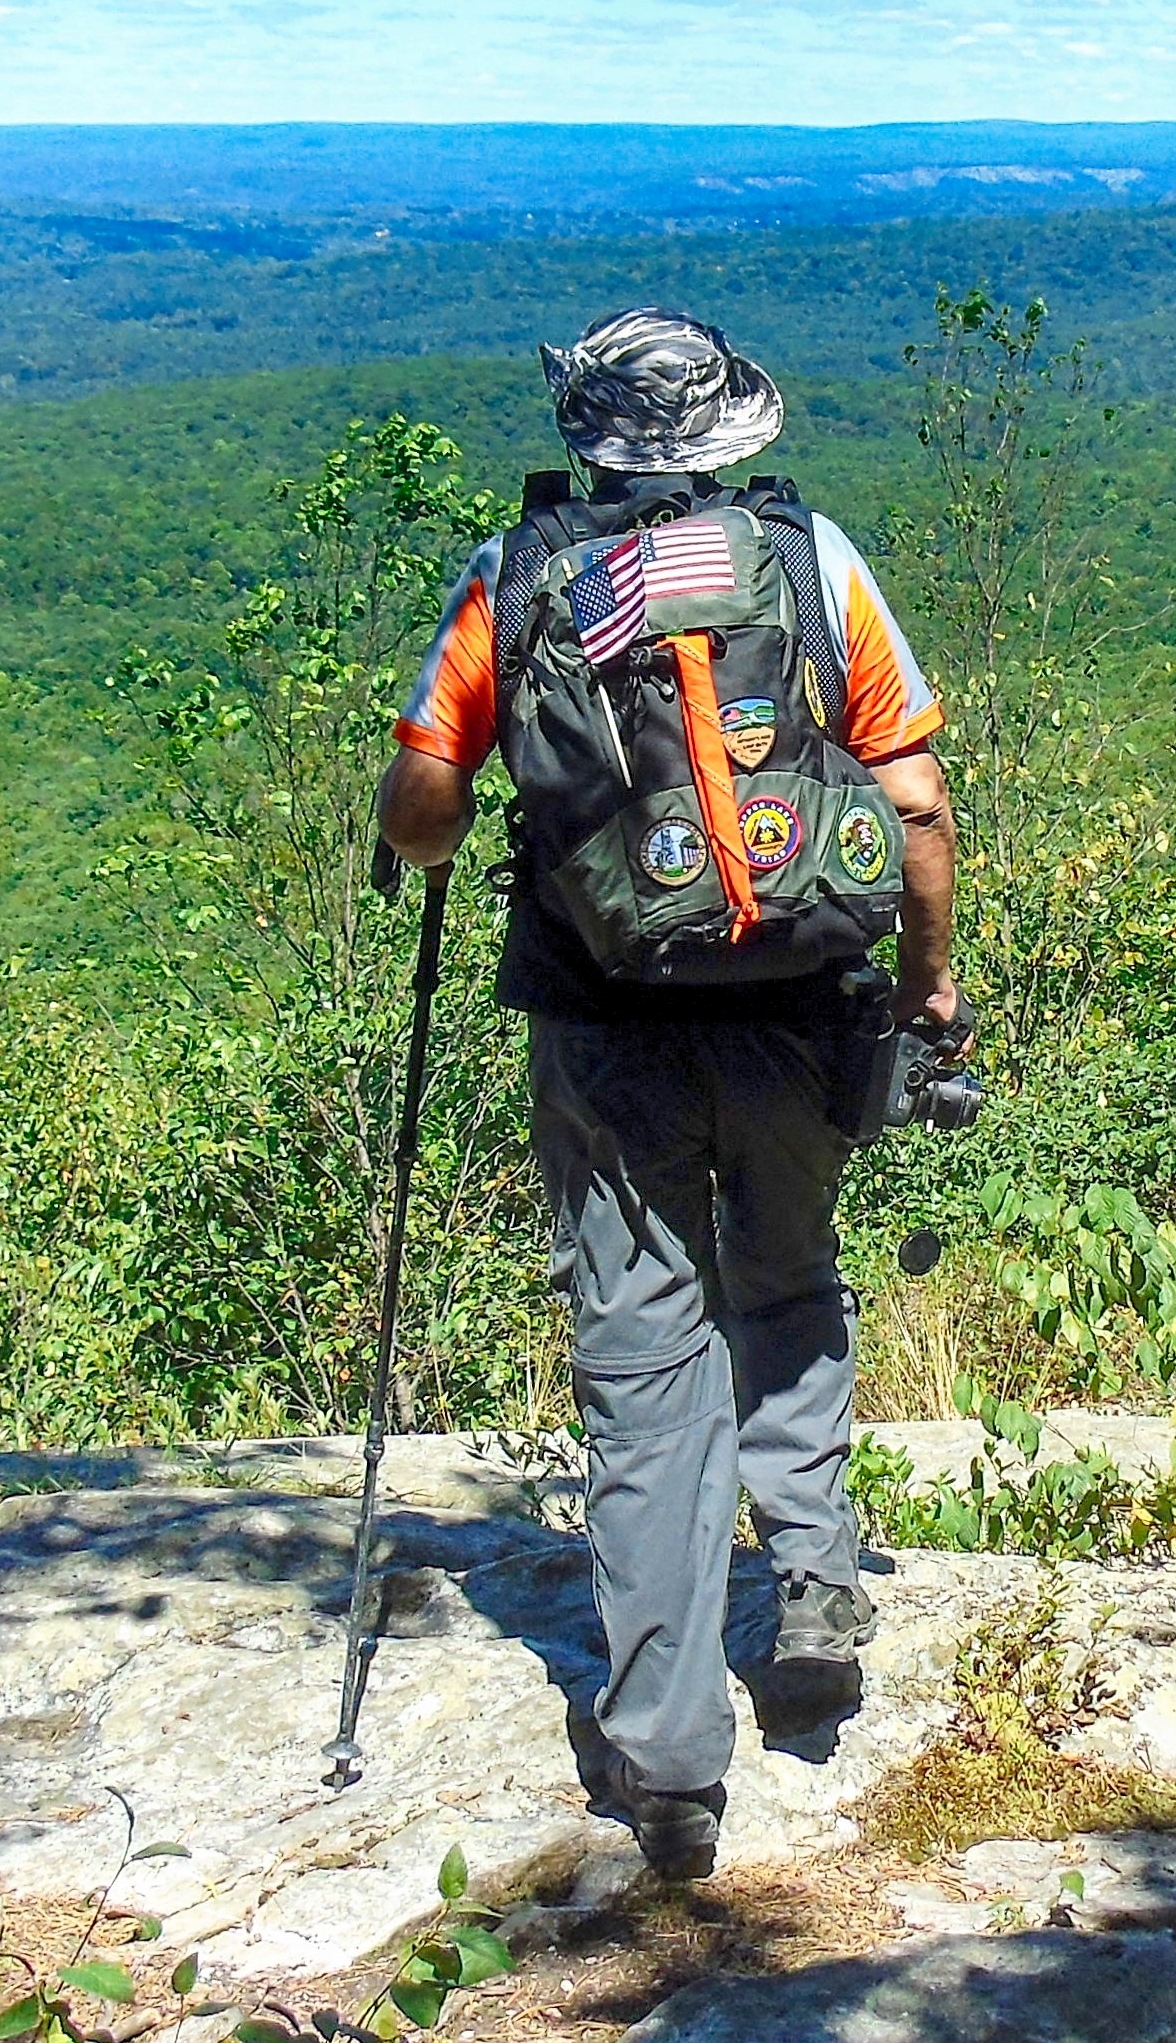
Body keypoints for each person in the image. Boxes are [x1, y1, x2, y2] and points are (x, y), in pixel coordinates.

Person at [375, 307, 963, 1882]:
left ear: (588, 437)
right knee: (791, 1280)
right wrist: (928, 987)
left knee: (646, 1364)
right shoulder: (814, 561)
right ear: (732, 434)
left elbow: (427, 809)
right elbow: (914, 798)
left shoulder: (518, 579)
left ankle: (670, 1757)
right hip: (802, 1009)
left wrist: (426, 812)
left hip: (608, 1026)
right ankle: (815, 1593)